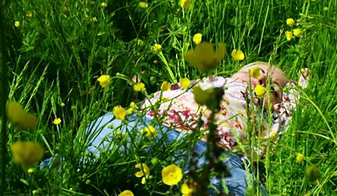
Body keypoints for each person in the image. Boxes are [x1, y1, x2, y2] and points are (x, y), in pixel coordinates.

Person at [53, 62, 310, 195]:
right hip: (149, 126)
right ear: (234, 73)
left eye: (274, 88)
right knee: (90, 152)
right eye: (254, 72)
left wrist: (301, 87)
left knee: (250, 190)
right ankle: (43, 181)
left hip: (217, 153)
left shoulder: (267, 115)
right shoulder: (213, 81)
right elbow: (161, 96)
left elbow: (292, 111)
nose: (262, 80)